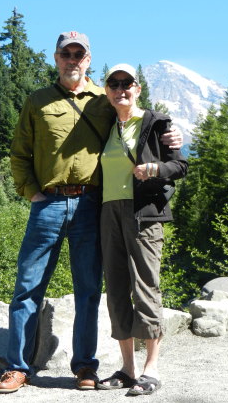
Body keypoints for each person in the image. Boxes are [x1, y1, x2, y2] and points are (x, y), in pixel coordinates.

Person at [0, 32, 182, 394]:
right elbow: (19, 154)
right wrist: (31, 193)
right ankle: (17, 368)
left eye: (79, 54)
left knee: (89, 290)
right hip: (47, 203)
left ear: (88, 60)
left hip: (91, 205)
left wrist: (172, 135)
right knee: (27, 287)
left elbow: (140, 122)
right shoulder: (38, 101)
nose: (72, 60)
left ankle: (85, 366)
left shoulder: (104, 98)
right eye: (66, 53)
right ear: (56, 57)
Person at [97, 64, 188, 396]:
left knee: (146, 285)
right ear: (106, 91)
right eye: (114, 83)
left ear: (138, 88)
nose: (121, 88)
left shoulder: (156, 123)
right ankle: (127, 368)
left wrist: (156, 168)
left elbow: (180, 165)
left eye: (127, 83)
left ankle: (151, 369)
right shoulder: (104, 123)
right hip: (109, 212)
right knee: (117, 288)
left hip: (144, 213)